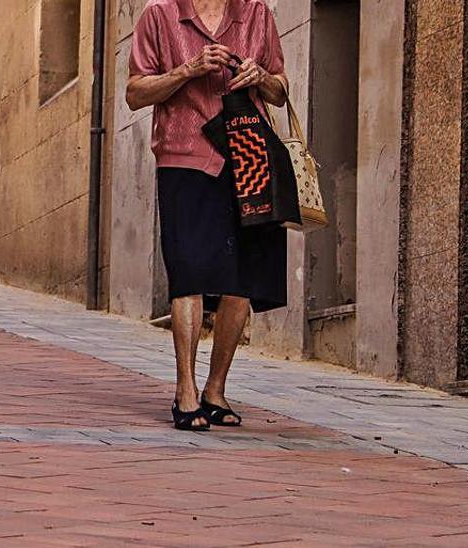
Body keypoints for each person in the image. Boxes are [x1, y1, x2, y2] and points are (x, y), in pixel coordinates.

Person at [126, 0, 289, 430]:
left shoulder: (256, 13)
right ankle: (185, 391)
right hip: (185, 157)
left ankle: (215, 390)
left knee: (241, 278)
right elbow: (135, 92)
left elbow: (280, 89)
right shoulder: (159, 15)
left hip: (248, 156)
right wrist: (188, 69)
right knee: (190, 273)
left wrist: (262, 77)